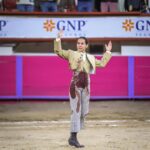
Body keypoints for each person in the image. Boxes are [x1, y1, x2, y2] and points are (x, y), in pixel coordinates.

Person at [54, 30, 112, 148]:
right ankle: (74, 138)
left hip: (86, 85)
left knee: (83, 111)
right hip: (75, 83)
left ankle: (72, 136)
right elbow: (58, 51)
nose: (79, 45)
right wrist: (58, 39)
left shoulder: (90, 57)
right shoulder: (71, 53)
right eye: (78, 43)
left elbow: (102, 63)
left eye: (82, 43)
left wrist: (107, 52)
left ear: (86, 45)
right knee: (76, 110)